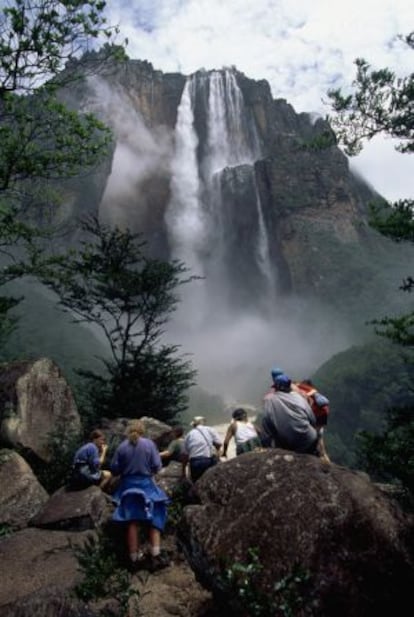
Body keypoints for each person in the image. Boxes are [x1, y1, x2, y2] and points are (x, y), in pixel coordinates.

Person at [110, 420, 170, 572]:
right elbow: (157, 466)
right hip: (146, 485)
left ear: (129, 431)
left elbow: (114, 469)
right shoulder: (149, 444)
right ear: (143, 431)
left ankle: (133, 559)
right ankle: (156, 554)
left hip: (127, 486)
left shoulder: (122, 446)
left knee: (132, 520)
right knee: (156, 512)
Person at [258, 373, 325, 457]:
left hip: (291, 446)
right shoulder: (298, 397)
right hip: (310, 439)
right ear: (289, 385)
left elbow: (266, 425)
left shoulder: (269, 401)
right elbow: (312, 419)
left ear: (276, 387)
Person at [184, 416, 222, 482]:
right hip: (208, 460)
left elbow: (186, 453)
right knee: (211, 481)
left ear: (194, 425)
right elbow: (219, 443)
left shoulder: (189, 434)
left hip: (195, 461)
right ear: (203, 423)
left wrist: (183, 470)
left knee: (196, 482)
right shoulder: (210, 429)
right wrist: (217, 450)